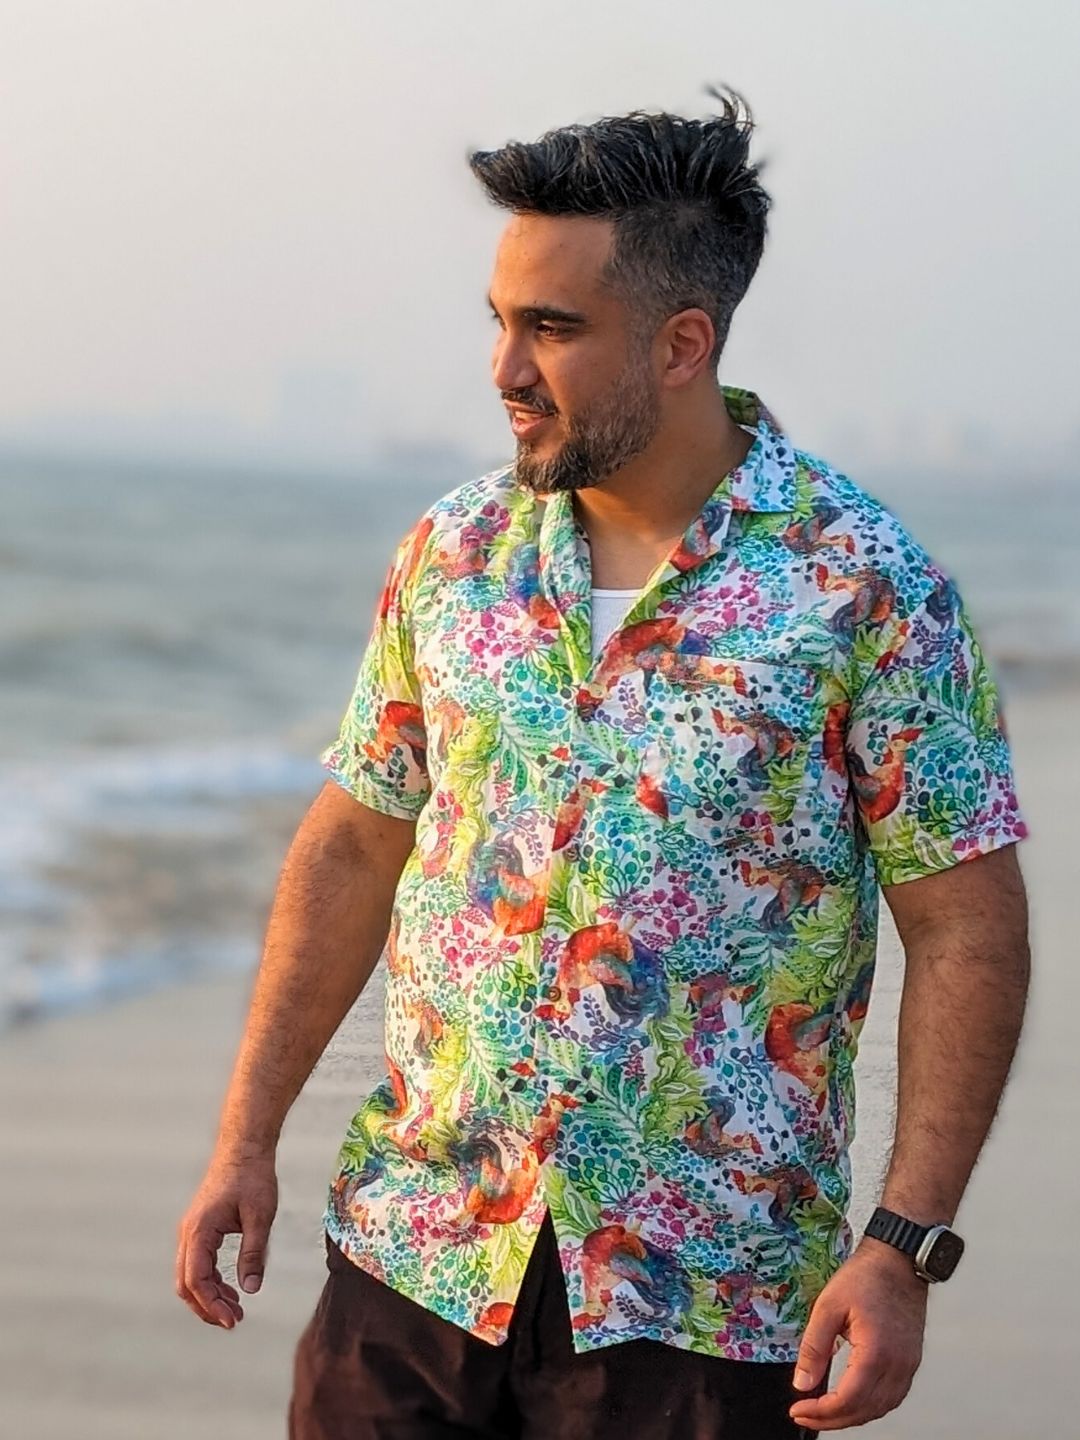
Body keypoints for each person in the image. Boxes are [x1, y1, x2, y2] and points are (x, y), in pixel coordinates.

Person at [176, 90, 1031, 1438]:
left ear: (682, 343)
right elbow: (354, 839)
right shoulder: (454, 552)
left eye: (553, 328)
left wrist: (904, 1246)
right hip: (416, 1262)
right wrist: (245, 1139)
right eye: (500, 321)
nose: (505, 368)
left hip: (703, 1307)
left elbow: (967, 928)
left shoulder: (866, 584)